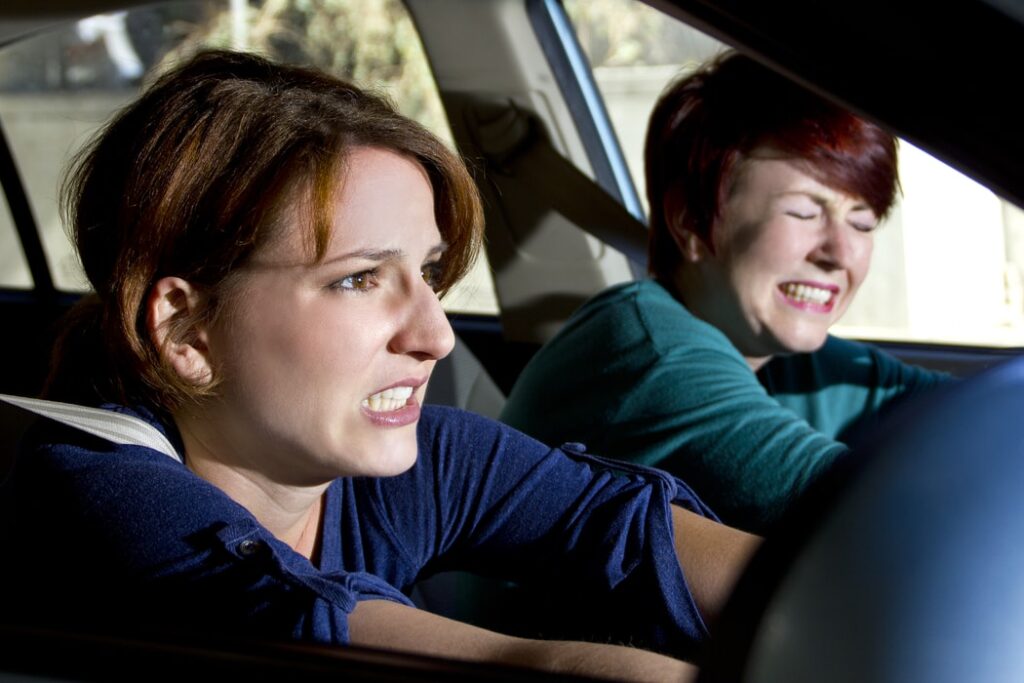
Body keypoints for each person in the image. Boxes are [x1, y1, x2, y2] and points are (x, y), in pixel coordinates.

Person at [0, 50, 760, 681]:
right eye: (359, 278)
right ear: (187, 330)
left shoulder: (391, 463)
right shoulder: (95, 493)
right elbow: (299, 616)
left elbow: (618, 525)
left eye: (428, 273)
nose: (436, 335)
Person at [501, 51, 948, 534]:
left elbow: (987, 415)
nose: (840, 252)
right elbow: (877, 520)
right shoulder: (648, 352)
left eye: (862, 222)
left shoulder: (791, 361)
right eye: (802, 212)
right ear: (690, 220)